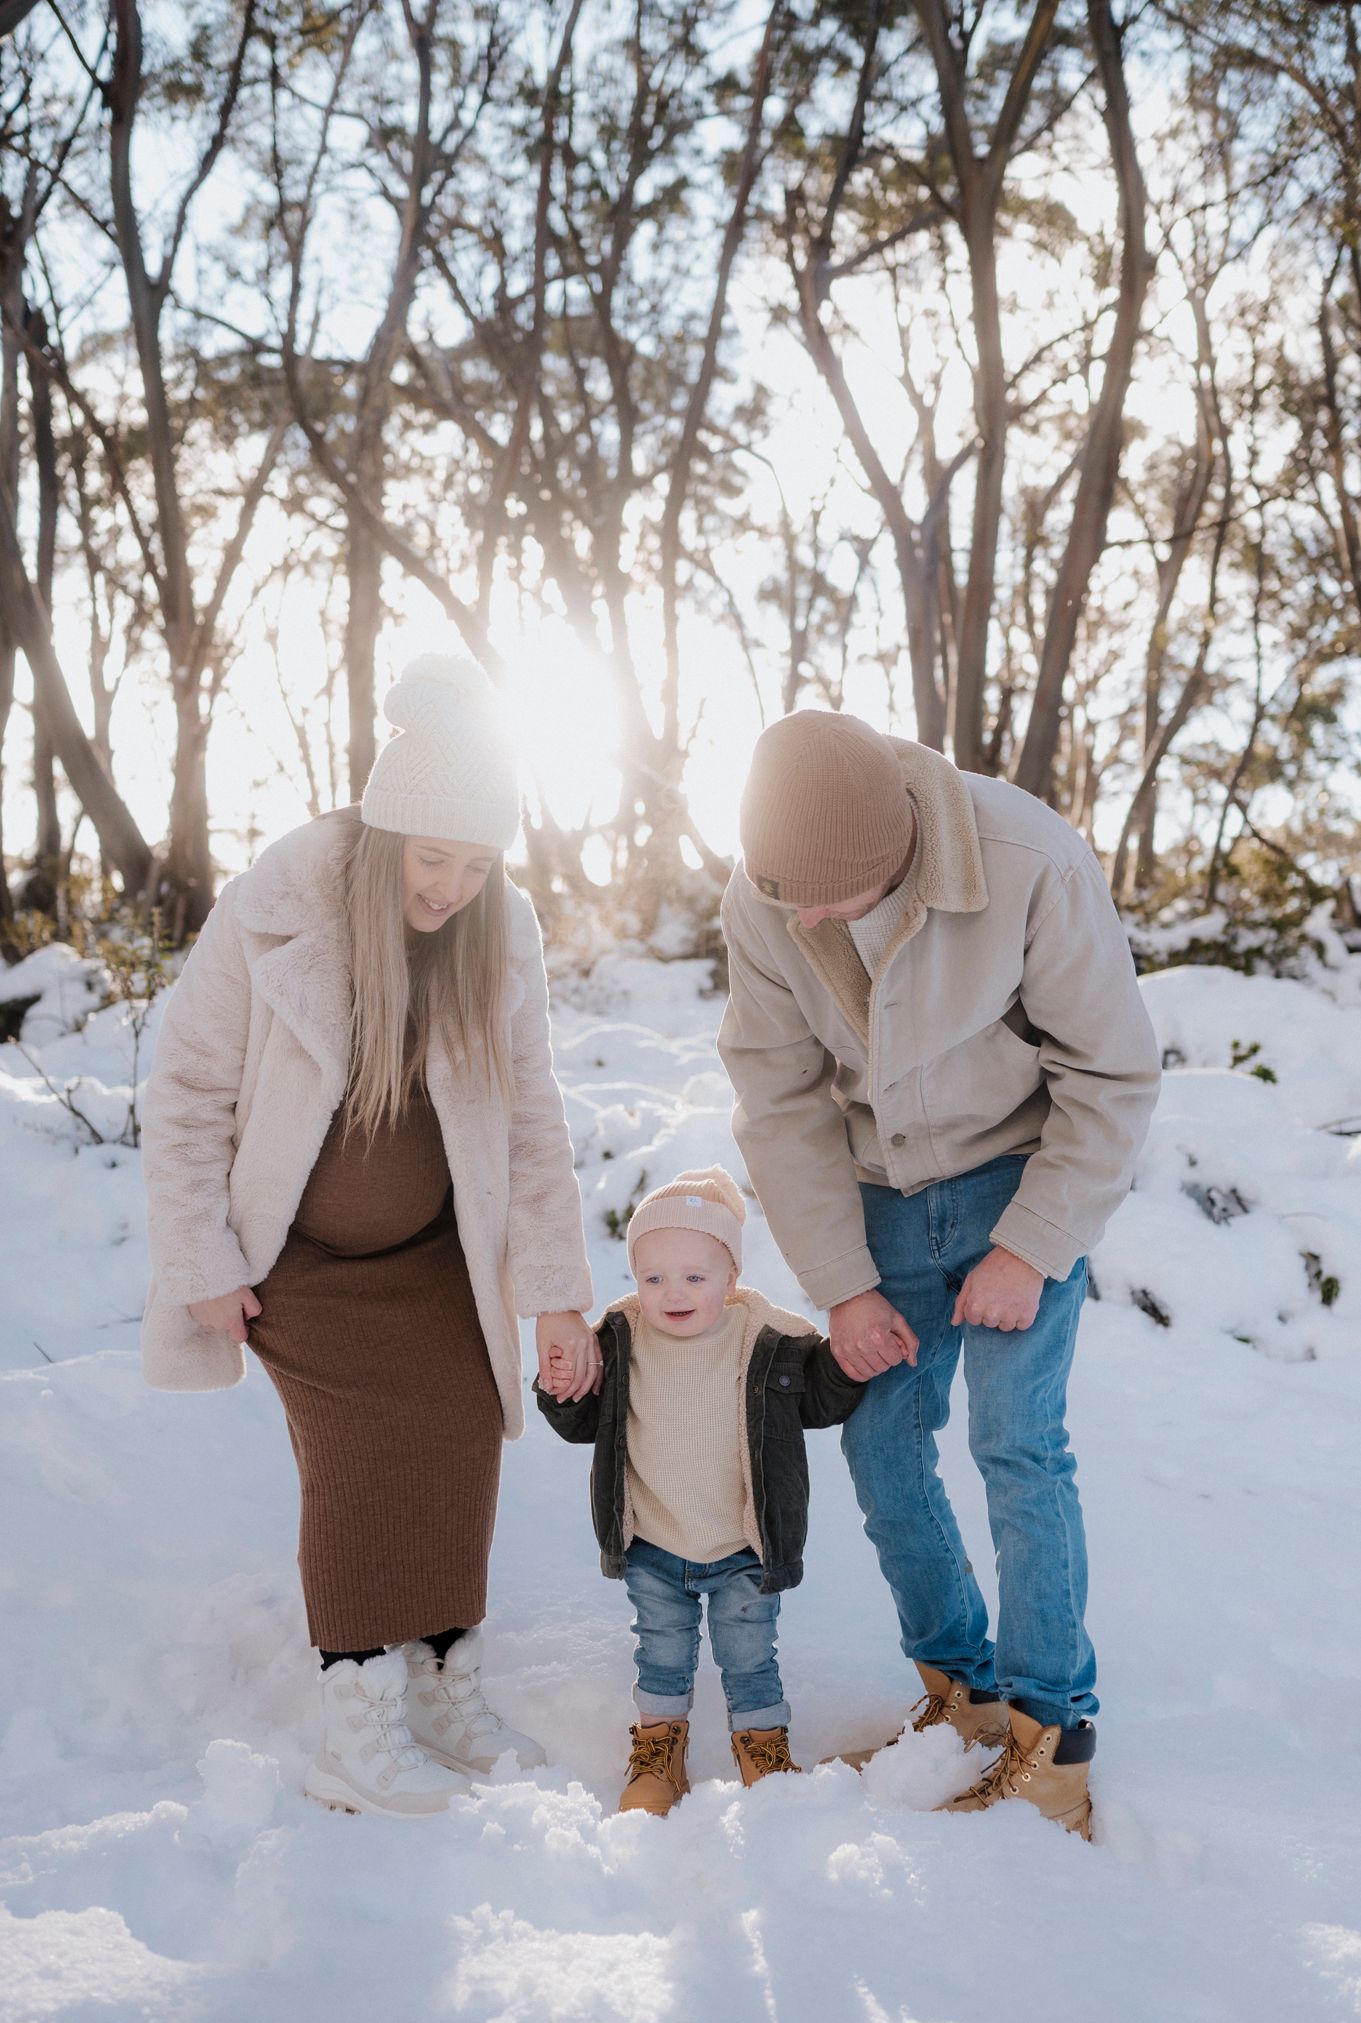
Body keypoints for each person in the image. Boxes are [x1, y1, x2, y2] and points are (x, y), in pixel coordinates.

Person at [140, 656, 599, 1819]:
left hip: (435, 1247)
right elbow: (189, 1082)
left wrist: (549, 1287)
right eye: (430, 856)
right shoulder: (278, 904)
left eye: (477, 862)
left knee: (460, 1426)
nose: (448, 886)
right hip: (292, 1252)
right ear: (383, 823)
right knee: (355, 1454)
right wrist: (199, 1260)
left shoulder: (503, 931)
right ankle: (356, 1718)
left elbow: (532, 1111)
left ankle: (445, 1681)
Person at [717, 710, 1161, 1839]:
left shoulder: (1025, 859)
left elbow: (1110, 1072)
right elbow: (775, 1097)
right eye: (787, 892)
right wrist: (842, 1282)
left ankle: (1051, 1736)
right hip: (875, 1198)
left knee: (1014, 1440)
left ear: (899, 842)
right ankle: (960, 1694)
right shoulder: (771, 890)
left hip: (1021, 1179)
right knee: (876, 1439)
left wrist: (1029, 1244)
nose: (804, 915)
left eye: (830, 892)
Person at [535, 1167, 891, 1815]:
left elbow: (815, 1398)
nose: (672, 1292)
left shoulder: (768, 1342)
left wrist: (843, 1363)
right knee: (661, 1653)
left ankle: (762, 1749)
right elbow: (584, 1422)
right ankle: (658, 1752)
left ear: (730, 1279)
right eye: (653, 1277)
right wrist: (562, 1385)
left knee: (749, 1657)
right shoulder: (621, 1338)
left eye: (694, 1277)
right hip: (652, 1542)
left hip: (743, 1548)